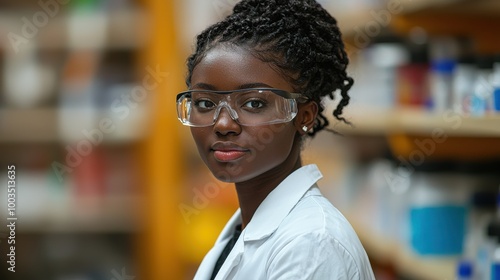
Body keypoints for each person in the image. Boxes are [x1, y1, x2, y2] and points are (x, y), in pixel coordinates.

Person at [176, 0, 375, 279]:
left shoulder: (312, 246)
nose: (223, 124)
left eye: (254, 104)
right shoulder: (242, 228)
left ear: (304, 116)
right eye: (205, 103)